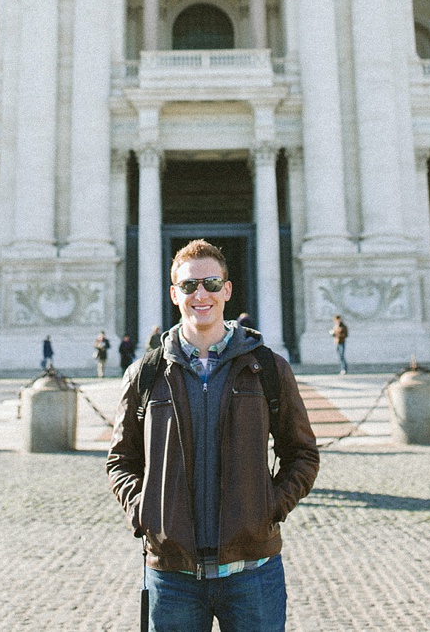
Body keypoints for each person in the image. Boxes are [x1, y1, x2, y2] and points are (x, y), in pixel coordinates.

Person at [108, 239, 318, 632]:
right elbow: (121, 460)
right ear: (174, 294)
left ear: (227, 289)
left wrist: (269, 507)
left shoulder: (269, 368)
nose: (200, 294)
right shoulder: (146, 374)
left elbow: (302, 454)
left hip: (252, 569)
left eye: (210, 283)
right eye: (189, 286)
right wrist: (146, 512)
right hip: (172, 575)